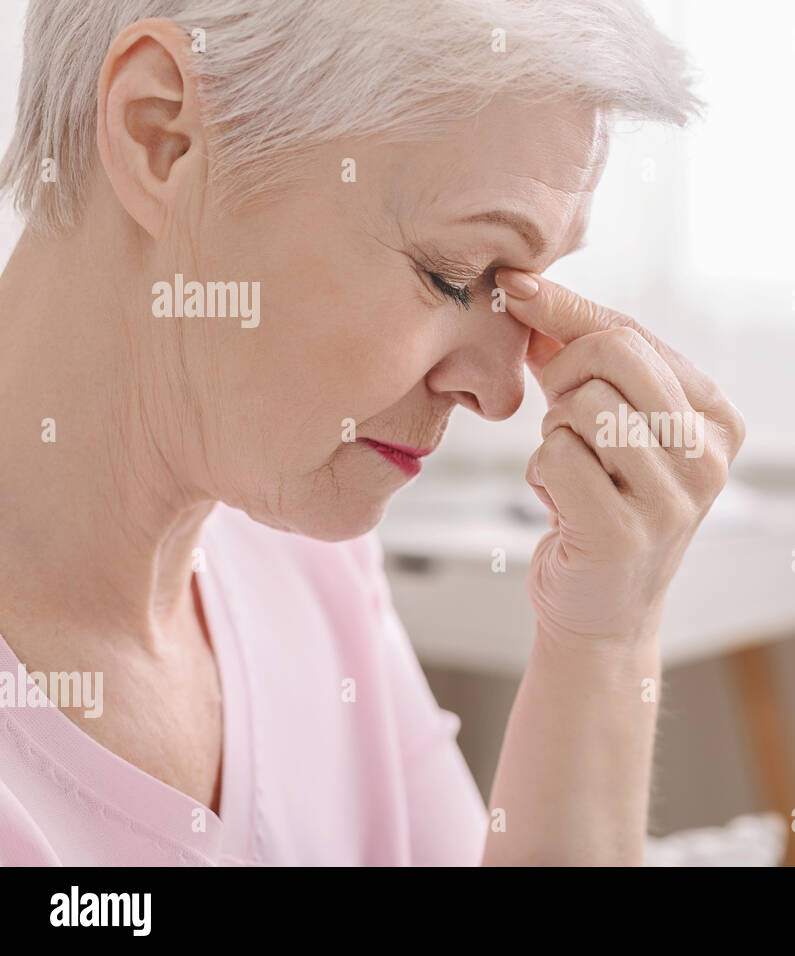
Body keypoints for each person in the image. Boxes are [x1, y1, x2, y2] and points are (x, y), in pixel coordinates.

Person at [0, 0, 743, 865]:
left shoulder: (307, 562)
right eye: (452, 273)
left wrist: (605, 639)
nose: (504, 394)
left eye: (528, 289)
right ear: (161, 137)